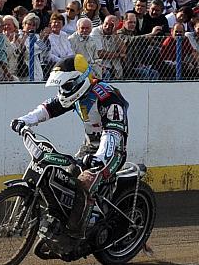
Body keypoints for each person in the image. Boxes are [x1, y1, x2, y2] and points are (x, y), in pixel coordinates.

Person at [10, 53, 129, 240]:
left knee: (84, 183)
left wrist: (100, 157)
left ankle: (75, 235)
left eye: (66, 86)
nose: (63, 90)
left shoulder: (108, 97)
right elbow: (50, 108)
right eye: (61, 86)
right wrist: (24, 120)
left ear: (79, 80)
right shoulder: (76, 94)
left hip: (112, 153)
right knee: (66, 177)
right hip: (89, 148)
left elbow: (113, 132)